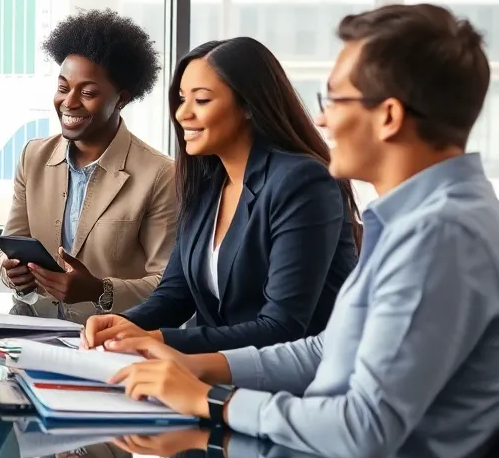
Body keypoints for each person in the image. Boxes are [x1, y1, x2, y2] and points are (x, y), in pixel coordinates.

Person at [6, 4, 496, 458]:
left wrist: (208, 400)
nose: (322, 117)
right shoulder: (415, 220)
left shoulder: (440, 235)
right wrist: (182, 361)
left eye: (334, 98)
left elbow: (365, 427)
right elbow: (323, 350)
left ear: (390, 116)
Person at [83, 36, 360, 354]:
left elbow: (282, 326)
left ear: (248, 106)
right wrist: (120, 325)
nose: (182, 114)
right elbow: (175, 294)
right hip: (215, 370)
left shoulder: (302, 182)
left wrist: (158, 340)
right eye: (182, 99)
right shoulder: (205, 183)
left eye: (201, 100)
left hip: (293, 376)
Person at [0, 9, 178, 323]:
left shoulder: (160, 174)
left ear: (121, 99)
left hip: (111, 336)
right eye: (63, 88)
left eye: (88, 92)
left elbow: (168, 285)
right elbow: (8, 247)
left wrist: (99, 290)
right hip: (33, 328)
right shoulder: (33, 156)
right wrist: (10, 271)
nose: (69, 102)